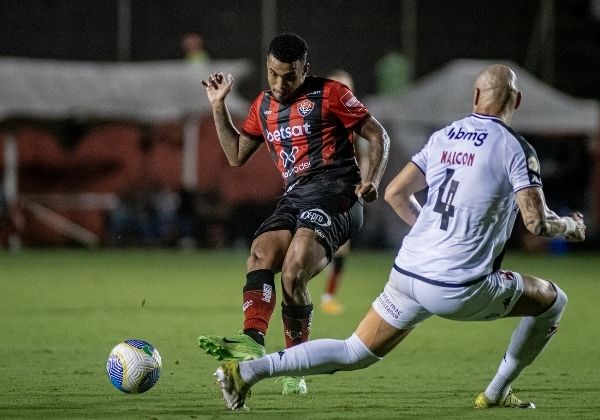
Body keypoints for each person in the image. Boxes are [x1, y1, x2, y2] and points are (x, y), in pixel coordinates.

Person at [211, 64, 587, 410]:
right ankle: (496, 392)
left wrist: (433, 234)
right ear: (517, 101)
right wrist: (569, 226)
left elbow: (395, 193)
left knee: (353, 351)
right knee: (554, 301)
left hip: (409, 273)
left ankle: (246, 373)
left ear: (475, 96)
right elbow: (537, 223)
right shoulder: (515, 148)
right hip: (461, 287)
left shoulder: (444, 137)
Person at [197, 33, 390, 395]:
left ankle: (294, 364)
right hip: (296, 197)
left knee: (293, 271)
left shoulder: (331, 94)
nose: (280, 84)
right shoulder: (263, 106)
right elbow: (236, 155)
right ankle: (253, 342)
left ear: (306, 70)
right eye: (273, 74)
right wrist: (218, 106)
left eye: (289, 76)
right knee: (260, 253)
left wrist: (373, 180)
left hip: (337, 194)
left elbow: (379, 135)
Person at [320, 69, 370, 315]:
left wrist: (365, 183)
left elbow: (364, 155)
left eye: (347, 87)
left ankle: (328, 295)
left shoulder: (355, 119)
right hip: (316, 189)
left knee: (341, 247)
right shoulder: (316, 117)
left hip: (345, 189)